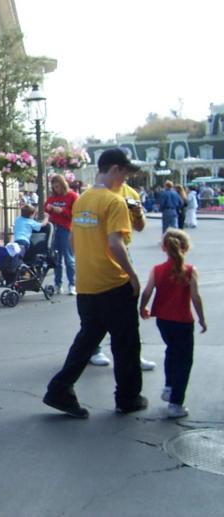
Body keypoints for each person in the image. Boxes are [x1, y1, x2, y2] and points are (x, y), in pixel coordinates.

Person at [43, 148, 147, 419]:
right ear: (115, 169)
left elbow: (74, 240)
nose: (125, 180)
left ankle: (60, 388)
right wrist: (132, 275)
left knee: (88, 339)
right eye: (124, 174)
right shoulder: (114, 201)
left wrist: (87, 262)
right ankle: (128, 397)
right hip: (113, 282)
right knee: (125, 342)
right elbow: (115, 243)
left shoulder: (83, 200)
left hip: (87, 284)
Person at [89, 180, 156, 371]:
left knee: (127, 305)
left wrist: (138, 212)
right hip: (99, 252)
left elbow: (140, 226)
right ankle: (93, 349)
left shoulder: (131, 193)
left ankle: (132, 354)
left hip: (122, 250)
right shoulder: (96, 193)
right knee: (98, 305)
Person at [139, 229, 207, 418]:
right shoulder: (190, 271)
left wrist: (142, 307)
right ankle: (176, 403)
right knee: (184, 360)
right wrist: (202, 319)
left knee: (171, 350)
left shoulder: (157, 269)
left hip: (163, 320)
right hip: (183, 321)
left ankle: (169, 387)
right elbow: (195, 297)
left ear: (164, 248)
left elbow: (147, 291)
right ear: (186, 248)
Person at [45, 174, 78, 295]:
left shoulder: (72, 196)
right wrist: (49, 208)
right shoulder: (53, 197)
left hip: (66, 229)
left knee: (69, 258)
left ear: (63, 185)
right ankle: (58, 284)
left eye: (57, 187)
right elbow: (46, 207)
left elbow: (76, 212)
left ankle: (72, 284)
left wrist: (62, 210)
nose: (56, 189)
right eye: (54, 187)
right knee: (56, 258)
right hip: (54, 229)